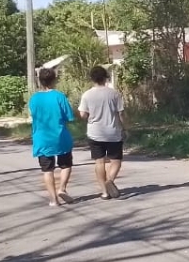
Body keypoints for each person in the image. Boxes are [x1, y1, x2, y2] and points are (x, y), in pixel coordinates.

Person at [28, 67, 75, 207]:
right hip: (60, 136)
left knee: (47, 170)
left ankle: (54, 199)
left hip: (41, 138)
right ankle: (62, 188)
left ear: (40, 81)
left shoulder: (34, 98)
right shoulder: (59, 96)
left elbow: (32, 115)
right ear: (54, 79)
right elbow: (70, 117)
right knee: (66, 165)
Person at [78, 65, 126, 199]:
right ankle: (110, 180)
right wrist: (125, 127)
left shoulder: (87, 95)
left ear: (92, 78)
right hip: (113, 132)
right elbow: (121, 114)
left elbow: (82, 114)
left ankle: (104, 192)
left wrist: (90, 117)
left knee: (99, 162)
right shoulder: (114, 94)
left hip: (95, 133)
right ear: (106, 77)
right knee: (116, 161)